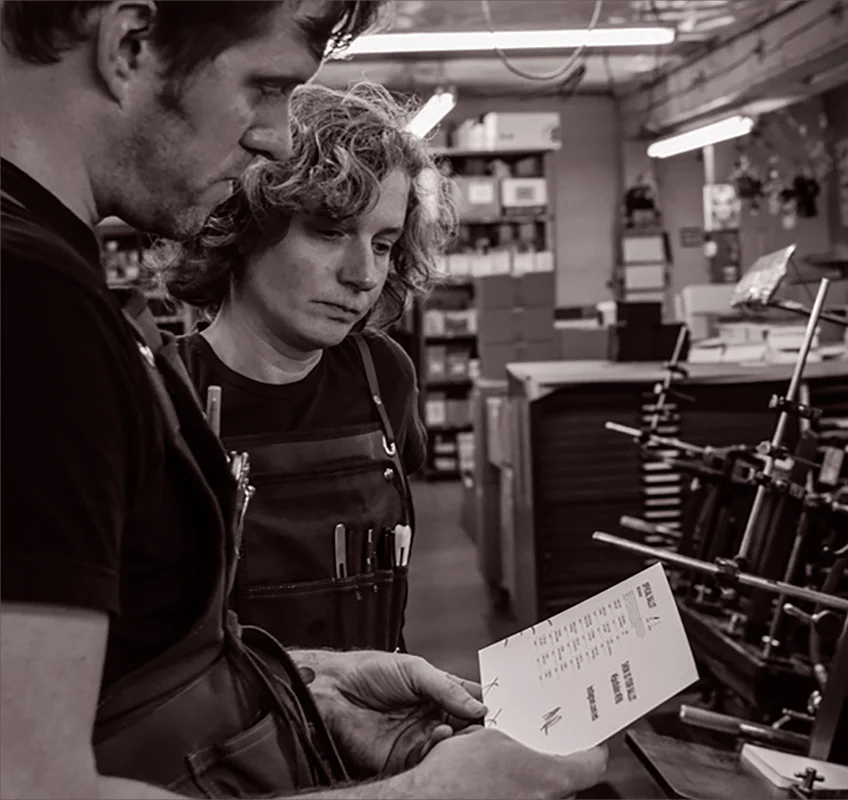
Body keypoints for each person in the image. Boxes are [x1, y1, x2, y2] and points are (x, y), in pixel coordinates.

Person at [0, 2, 608, 798]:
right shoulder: (36, 311)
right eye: (267, 85)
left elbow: (133, 673)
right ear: (128, 42)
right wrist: (432, 795)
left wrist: (303, 690)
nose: (278, 136)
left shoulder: (70, 300)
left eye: (385, 244)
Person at [152, 80, 452, 653]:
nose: (363, 274)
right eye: (330, 231)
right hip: (231, 737)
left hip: (376, 723)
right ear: (244, 223)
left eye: (385, 243)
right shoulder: (163, 395)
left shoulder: (384, 376)